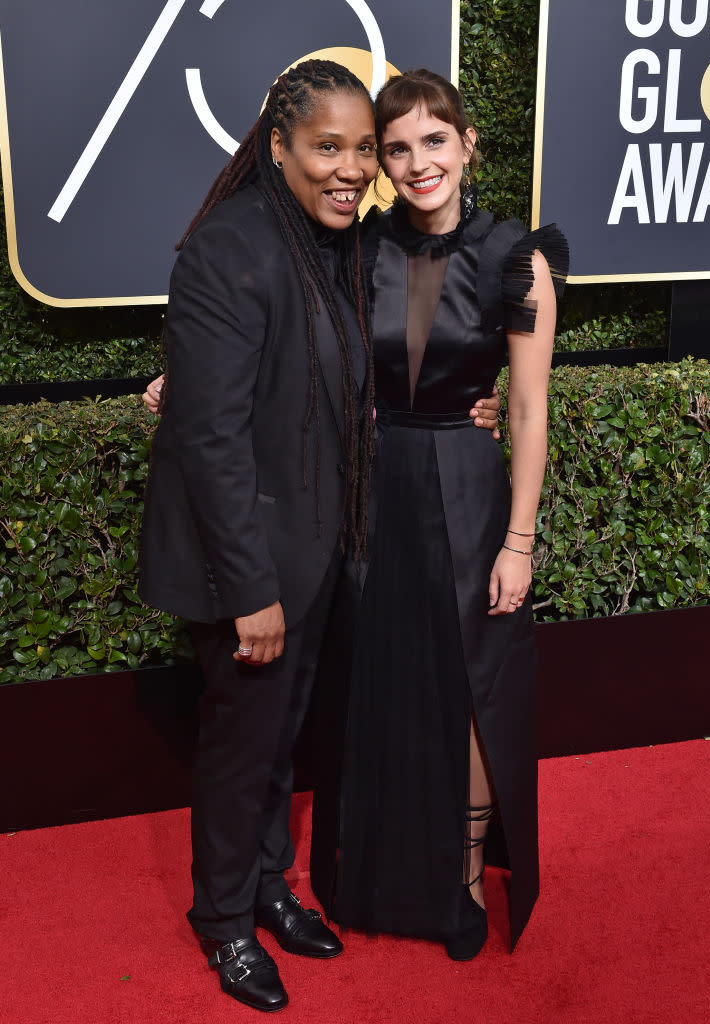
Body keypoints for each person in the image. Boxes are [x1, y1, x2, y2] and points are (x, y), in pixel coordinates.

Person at [138, 58, 501, 1011]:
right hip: (253, 571)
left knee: (277, 744)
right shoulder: (230, 246)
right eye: (324, 148)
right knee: (239, 750)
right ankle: (222, 923)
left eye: (358, 150)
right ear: (277, 147)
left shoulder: (333, 243)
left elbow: (356, 377)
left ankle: (267, 888)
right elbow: (211, 440)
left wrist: (471, 401)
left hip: (319, 554)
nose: (349, 169)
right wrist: (250, 590)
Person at [310, 69, 568, 961]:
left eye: (433, 139)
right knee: (380, 673)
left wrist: (519, 541)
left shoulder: (516, 258)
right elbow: (297, 350)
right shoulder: (356, 248)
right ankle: (376, 865)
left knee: (468, 682)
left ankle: (459, 875)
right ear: (379, 162)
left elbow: (528, 407)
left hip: (465, 481)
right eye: (396, 147)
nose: (417, 162)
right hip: (374, 487)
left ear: (466, 144)